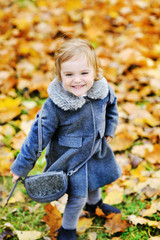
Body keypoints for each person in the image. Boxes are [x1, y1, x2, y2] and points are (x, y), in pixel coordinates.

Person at [10, 38, 122, 240]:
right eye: (69, 74)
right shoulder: (54, 107)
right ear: (59, 75)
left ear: (95, 72)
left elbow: (112, 108)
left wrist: (109, 129)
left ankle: (95, 204)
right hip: (71, 158)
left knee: (95, 180)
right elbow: (38, 136)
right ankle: (67, 229)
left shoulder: (102, 91)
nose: (77, 80)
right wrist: (21, 167)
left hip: (96, 149)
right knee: (77, 195)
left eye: (84, 73)